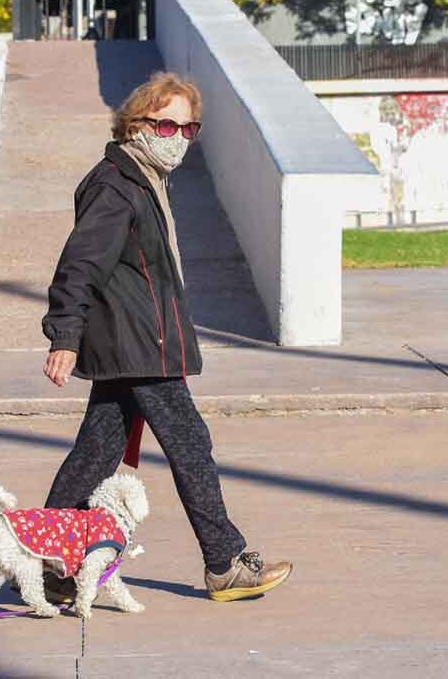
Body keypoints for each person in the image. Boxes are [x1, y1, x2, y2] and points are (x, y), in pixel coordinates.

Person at [39, 72, 293, 603]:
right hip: (137, 344)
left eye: (188, 128)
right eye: (166, 124)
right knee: (190, 445)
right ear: (136, 124)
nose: (177, 137)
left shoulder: (143, 178)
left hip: (137, 342)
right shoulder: (116, 186)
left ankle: (51, 565)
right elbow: (79, 264)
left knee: (94, 453)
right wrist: (64, 334)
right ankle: (223, 563)